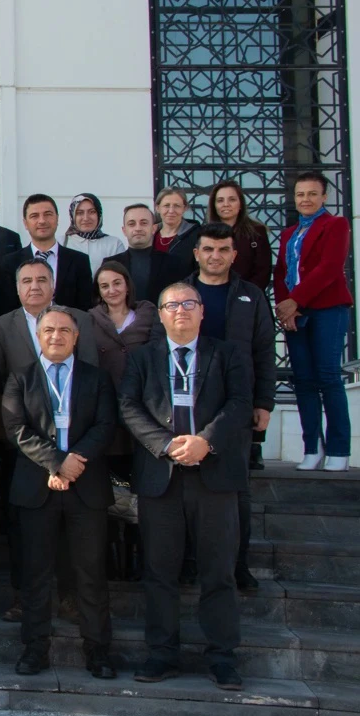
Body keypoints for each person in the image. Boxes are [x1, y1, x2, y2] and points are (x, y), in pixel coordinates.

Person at [118, 282, 252, 691]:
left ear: (201, 312)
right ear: (159, 314)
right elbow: (129, 406)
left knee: (218, 571)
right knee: (159, 572)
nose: (181, 311)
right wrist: (165, 446)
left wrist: (205, 442)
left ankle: (223, 657)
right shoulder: (142, 358)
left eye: (189, 304)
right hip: (162, 478)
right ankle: (162, 654)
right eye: (172, 305)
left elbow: (240, 404)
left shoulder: (226, 354)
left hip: (214, 476)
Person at [2, 306, 117, 679]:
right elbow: (17, 430)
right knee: (35, 575)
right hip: (37, 488)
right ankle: (35, 649)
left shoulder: (97, 379)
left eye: (64, 330)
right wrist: (55, 463)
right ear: (39, 336)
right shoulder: (20, 379)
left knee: (90, 573)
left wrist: (74, 462)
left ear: (76, 336)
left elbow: (105, 424)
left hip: (87, 488)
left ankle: (98, 651)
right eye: (48, 330)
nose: (56, 336)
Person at [0, 259, 97, 622]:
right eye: (26, 281)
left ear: (54, 285)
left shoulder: (78, 320)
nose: (34, 286)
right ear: (17, 288)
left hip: (77, 452)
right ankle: (25, 598)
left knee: (72, 537)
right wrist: (47, 457)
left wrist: (71, 457)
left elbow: (92, 385)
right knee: (24, 535)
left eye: (41, 280)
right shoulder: (1, 326)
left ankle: (70, 598)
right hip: (27, 452)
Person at [186, 222, 276, 589]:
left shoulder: (251, 296)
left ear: (234, 255)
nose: (215, 256)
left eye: (223, 250)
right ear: (197, 253)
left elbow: (265, 351)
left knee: (236, 489)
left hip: (237, 405)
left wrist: (264, 402)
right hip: (188, 403)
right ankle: (190, 563)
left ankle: (238, 564)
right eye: (208, 249)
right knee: (189, 488)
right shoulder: (181, 293)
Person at [273, 171, 353, 472]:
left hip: (327, 309)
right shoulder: (288, 233)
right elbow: (280, 272)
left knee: (328, 376)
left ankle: (339, 449)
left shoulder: (336, 225)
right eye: (300, 194)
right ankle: (311, 447)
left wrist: (297, 300)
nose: (305, 199)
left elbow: (330, 267)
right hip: (296, 313)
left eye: (311, 194)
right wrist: (286, 308)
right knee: (304, 381)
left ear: (323, 197)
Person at [88, 260, 160, 467]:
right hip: (107, 401)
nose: (112, 290)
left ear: (127, 285)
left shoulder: (148, 313)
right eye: (105, 286)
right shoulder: (90, 319)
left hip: (145, 400)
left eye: (117, 283)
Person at [0, 195, 95, 313]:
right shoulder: (10, 263)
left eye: (48, 214)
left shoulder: (80, 261)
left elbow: (85, 308)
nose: (42, 221)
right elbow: (7, 309)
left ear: (57, 218)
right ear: (25, 223)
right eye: (34, 216)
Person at [109, 204, 181, 305]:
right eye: (131, 224)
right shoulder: (110, 264)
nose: (138, 228)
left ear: (154, 228)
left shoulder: (173, 263)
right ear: (124, 230)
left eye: (143, 223)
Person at [207, 180, 271, 290]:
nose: (226, 204)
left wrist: (245, 295)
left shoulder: (257, 232)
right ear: (214, 206)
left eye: (232, 199)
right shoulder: (205, 234)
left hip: (249, 297)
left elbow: (263, 272)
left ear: (240, 204)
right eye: (220, 200)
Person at [64, 193, 126, 274]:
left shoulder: (114, 244)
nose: (86, 218)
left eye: (92, 212)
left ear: (99, 214)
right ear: (73, 216)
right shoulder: (62, 243)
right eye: (80, 213)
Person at [152, 187, 201, 272]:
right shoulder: (150, 235)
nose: (171, 211)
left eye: (177, 206)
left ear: (184, 208)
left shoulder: (197, 235)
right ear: (157, 208)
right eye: (166, 205)